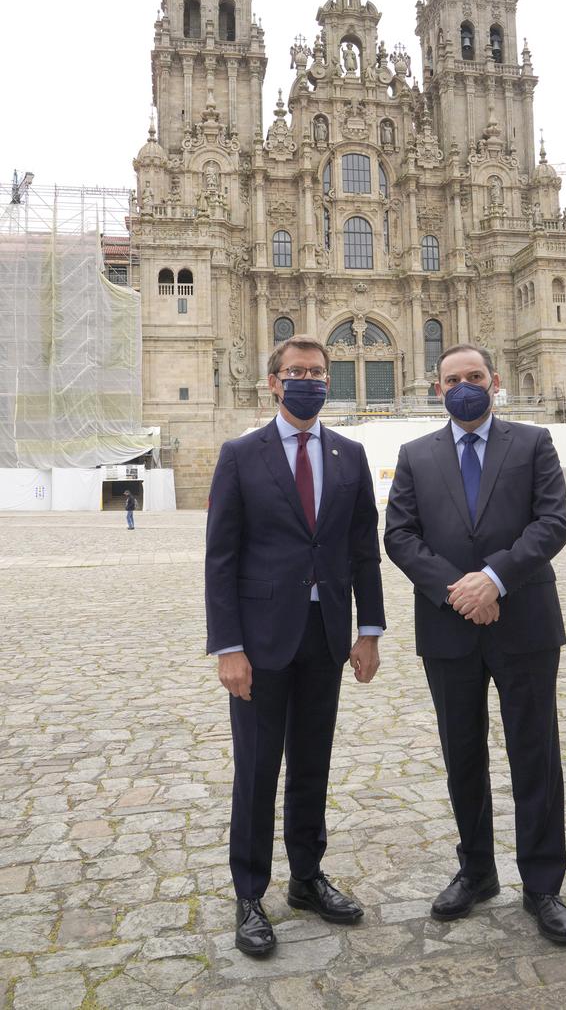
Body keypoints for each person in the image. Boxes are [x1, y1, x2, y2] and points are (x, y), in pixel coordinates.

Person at [384, 343, 566, 946]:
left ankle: (542, 883)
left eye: (474, 376)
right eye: (452, 379)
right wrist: (457, 589)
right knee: (462, 755)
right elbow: (399, 536)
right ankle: (476, 871)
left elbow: (552, 522)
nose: (464, 386)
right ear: (437, 388)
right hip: (448, 627)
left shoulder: (533, 443)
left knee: (534, 754)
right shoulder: (415, 455)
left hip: (525, 624)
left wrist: (493, 577)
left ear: (494, 382)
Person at [205, 335, 385, 958]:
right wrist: (228, 646)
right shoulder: (240, 454)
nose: (308, 379)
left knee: (313, 763)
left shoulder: (350, 454)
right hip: (258, 642)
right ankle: (250, 895)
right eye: (296, 371)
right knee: (257, 769)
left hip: (325, 637)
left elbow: (364, 547)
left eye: (317, 371)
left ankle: (307, 879)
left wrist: (369, 630)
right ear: (274, 381)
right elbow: (221, 559)